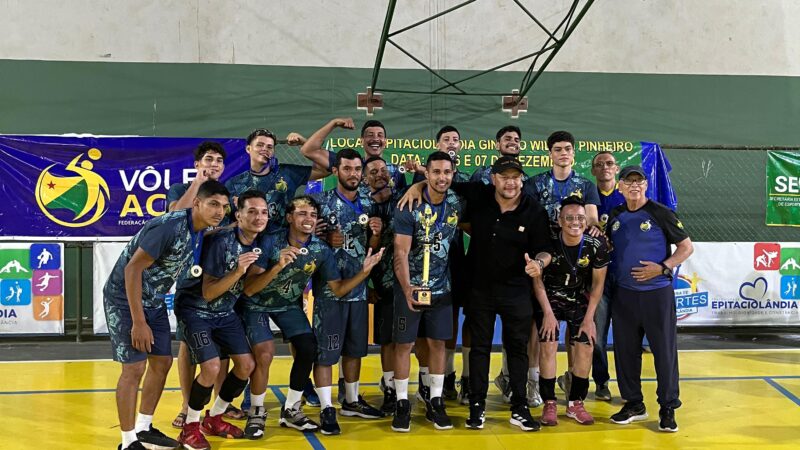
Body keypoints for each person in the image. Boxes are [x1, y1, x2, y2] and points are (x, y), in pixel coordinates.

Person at [401, 156, 552, 431]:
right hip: (480, 289)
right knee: (479, 349)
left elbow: (545, 249)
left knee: (517, 349)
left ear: (522, 180)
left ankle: (519, 407)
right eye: (504, 176)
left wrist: (539, 263)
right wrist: (418, 184)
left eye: (515, 177)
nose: (510, 182)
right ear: (493, 178)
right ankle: (477, 405)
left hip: (517, 291)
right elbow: (440, 182)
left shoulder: (534, 211)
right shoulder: (478, 194)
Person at [242, 195, 384, 437]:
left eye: (313, 215)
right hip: (256, 304)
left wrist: (365, 272)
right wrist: (278, 265)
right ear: (289, 217)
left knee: (308, 348)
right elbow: (249, 288)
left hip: (287, 305)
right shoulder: (270, 242)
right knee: (264, 354)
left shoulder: (320, 249)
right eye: (302, 214)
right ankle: (256, 411)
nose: (308, 219)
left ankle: (292, 409)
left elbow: (338, 288)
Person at [102, 180, 229, 450]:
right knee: (134, 368)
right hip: (125, 299)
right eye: (214, 204)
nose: (220, 211)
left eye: (225, 206)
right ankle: (127, 442)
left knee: (161, 363)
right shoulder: (168, 226)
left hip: (155, 299)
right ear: (197, 203)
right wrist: (138, 322)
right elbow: (132, 270)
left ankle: (144, 428)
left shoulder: (199, 229)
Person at [174, 190, 265, 449]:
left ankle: (214, 418)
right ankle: (190, 426)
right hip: (196, 309)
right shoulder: (221, 242)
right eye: (251, 211)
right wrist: (239, 270)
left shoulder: (264, 242)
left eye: (264, 212)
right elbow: (209, 292)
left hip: (225, 312)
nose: (259, 217)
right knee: (211, 367)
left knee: (246, 366)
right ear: (238, 215)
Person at [606, 165, 693, 432]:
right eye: (628, 181)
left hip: (656, 294)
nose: (633, 185)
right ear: (619, 186)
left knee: (664, 352)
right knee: (625, 352)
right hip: (624, 295)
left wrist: (663, 267)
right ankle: (634, 403)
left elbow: (686, 247)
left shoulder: (660, 212)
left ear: (645, 185)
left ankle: (668, 407)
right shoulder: (616, 215)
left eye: (639, 181)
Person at [167, 141, 242, 427]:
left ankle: (217, 408)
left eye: (219, 161)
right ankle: (187, 406)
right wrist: (198, 183)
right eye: (208, 160)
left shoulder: (226, 197)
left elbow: (235, 228)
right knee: (188, 344)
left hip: (219, 276)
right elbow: (175, 214)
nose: (214, 164)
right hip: (189, 278)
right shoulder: (180, 189)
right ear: (197, 163)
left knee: (219, 347)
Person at [311, 148, 386, 433]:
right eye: (347, 168)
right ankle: (327, 407)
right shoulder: (320, 203)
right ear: (335, 171)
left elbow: (373, 248)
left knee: (355, 349)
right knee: (326, 353)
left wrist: (376, 235)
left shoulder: (369, 202)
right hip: (329, 290)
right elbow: (308, 241)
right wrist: (326, 238)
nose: (353, 174)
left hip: (359, 288)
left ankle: (351, 401)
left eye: (357, 169)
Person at [524, 130, 601, 400]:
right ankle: (534, 379)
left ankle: (571, 377)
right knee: (540, 324)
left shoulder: (586, 184)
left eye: (567, 148)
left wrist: (581, 230)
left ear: (573, 152)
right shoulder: (534, 184)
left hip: (575, 261)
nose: (563, 153)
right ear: (550, 153)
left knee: (575, 325)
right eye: (557, 149)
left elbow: (592, 220)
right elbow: (530, 218)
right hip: (544, 257)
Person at [391, 152, 463, 432]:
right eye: (435, 172)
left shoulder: (457, 202)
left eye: (447, 172)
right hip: (410, 288)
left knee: (438, 344)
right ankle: (401, 402)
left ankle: (435, 400)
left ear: (453, 174)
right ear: (427, 174)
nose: (442, 177)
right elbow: (400, 251)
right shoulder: (409, 205)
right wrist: (407, 287)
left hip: (441, 289)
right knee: (404, 345)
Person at [533, 197, 609, 427]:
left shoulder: (597, 245)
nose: (574, 222)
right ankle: (549, 403)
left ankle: (576, 403)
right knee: (548, 343)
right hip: (550, 298)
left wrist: (589, 319)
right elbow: (537, 281)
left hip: (579, 299)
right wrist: (546, 312)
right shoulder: (549, 242)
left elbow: (598, 285)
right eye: (569, 218)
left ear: (586, 222)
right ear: (560, 220)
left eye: (579, 218)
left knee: (586, 345)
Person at [363, 155, 403, 416]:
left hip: (410, 281)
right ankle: (389, 388)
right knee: (388, 340)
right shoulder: (362, 207)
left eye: (382, 169)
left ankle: (421, 385)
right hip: (382, 283)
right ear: (365, 178)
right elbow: (360, 251)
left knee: (417, 338)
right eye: (373, 171)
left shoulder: (405, 198)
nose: (379, 173)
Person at [589, 151, 625, 401]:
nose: (604, 168)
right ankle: (601, 382)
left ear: (617, 168)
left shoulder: (628, 197)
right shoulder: (588, 198)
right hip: (597, 278)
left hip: (624, 277)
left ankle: (629, 384)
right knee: (597, 336)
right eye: (599, 165)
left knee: (626, 336)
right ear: (593, 171)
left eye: (609, 163)